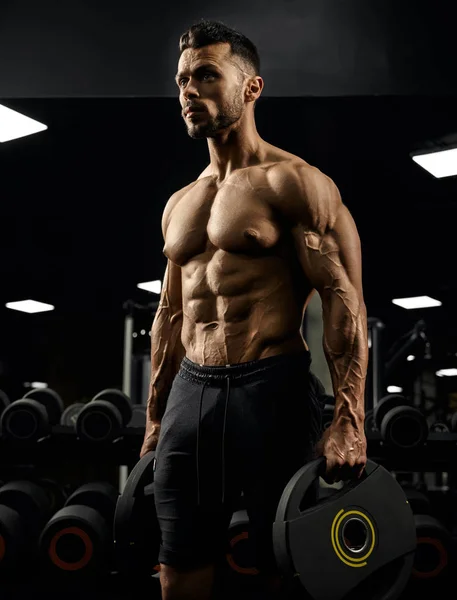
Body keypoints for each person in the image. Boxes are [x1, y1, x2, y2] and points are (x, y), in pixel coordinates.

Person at [140, 18, 368, 600]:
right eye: (182, 80)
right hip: (191, 394)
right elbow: (169, 315)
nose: (189, 91)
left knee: (290, 568)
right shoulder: (180, 204)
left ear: (251, 87)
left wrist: (349, 419)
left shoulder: (295, 183)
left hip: (272, 390)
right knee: (178, 567)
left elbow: (345, 303)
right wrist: (156, 415)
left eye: (207, 76)